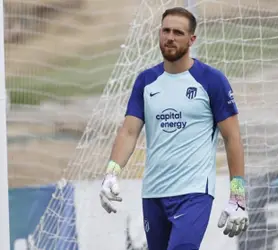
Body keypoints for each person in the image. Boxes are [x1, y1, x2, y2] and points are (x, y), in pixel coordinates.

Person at [99, 6, 249, 250]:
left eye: (178, 32)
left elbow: (232, 138)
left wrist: (238, 195)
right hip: (153, 194)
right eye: (165, 30)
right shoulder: (145, 81)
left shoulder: (212, 80)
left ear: (192, 39)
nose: (170, 37)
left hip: (194, 193)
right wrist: (111, 173)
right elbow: (129, 132)